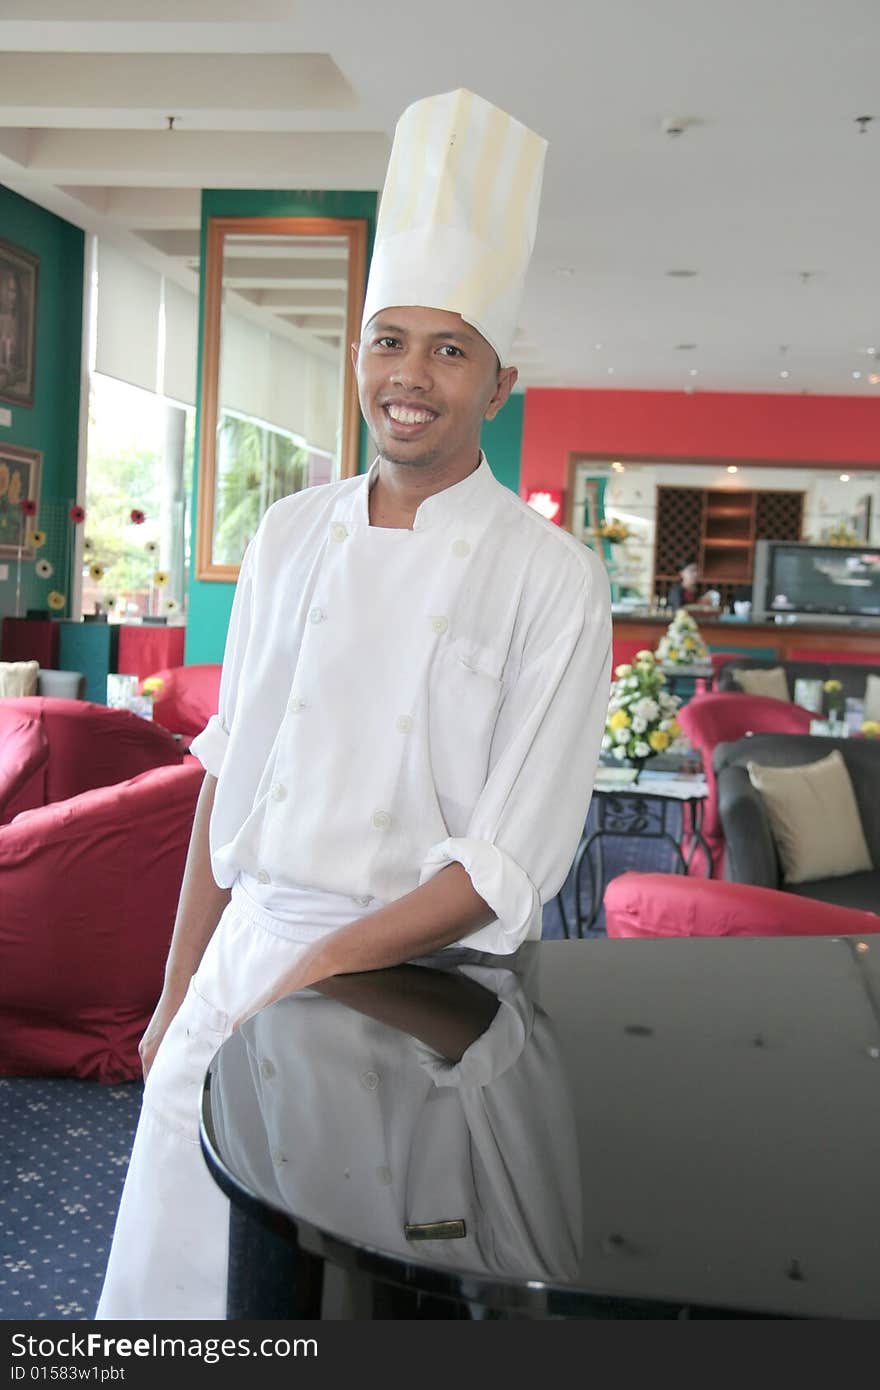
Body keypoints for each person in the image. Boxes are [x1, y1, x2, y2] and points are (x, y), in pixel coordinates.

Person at [96, 87, 611, 1321]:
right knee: (171, 1277)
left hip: (419, 995)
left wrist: (319, 968)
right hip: (248, 953)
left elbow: (506, 862)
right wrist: (179, 997)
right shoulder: (287, 535)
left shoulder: (554, 576)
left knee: (343, 1288)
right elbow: (231, 777)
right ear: (357, 357)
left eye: (448, 348)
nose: (411, 376)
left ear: (500, 379)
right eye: (390, 340)